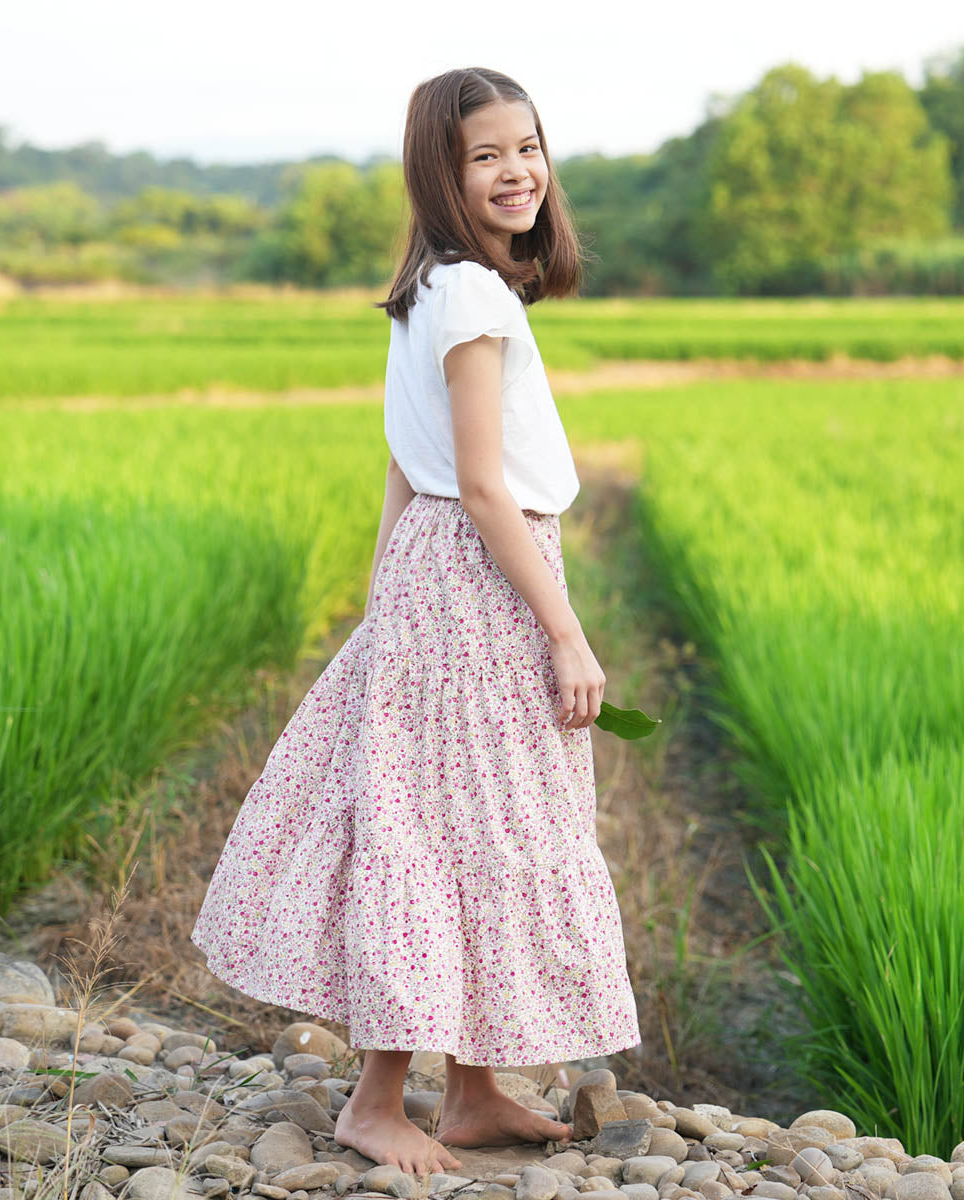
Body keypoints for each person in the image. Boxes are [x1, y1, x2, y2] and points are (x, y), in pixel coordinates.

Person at [190, 66, 641, 1178]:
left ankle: (477, 1088)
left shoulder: (437, 289)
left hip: (435, 574)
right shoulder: (476, 298)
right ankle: (377, 1101)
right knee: (452, 828)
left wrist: (386, 591)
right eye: (485, 156)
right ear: (440, 175)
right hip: (483, 575)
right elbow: (483, 487)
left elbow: (403, 461)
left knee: (461, 819)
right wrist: (567, 634)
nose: (515, 172)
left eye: (526, 148)